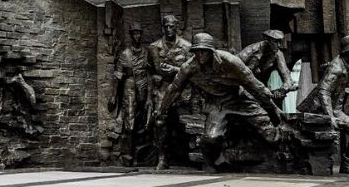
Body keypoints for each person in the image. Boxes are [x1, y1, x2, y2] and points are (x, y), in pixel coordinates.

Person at [157, 32, 283, 172]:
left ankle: (279, 158)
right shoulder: (189, 67)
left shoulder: (229, 61)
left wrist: (273, 107)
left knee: (271, 135)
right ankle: (216, 163)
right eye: (197, 52)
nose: (200, 56)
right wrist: (162, 111)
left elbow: (253, 83)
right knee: (211, 138)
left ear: (211, 51)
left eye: (204, 51)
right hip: (217, 104)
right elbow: (174, 89)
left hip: (240, 99)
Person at [298, 34, 349, 175]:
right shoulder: (336, 68)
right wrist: (329, 116)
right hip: (319, 109)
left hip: (335, 109)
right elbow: (324, 92)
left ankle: (347, 165)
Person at [148, 14, 191, 169]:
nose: (168, 29)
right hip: (163, 88)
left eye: (171, 26)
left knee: (185, 121)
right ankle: (162, 158)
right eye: (166, 26)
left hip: (181, 88)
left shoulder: (186, 46)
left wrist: (175, 69)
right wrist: (154, 77)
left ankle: (189, 155)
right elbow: (149, 69)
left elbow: (192, 71)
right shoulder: (153, 47)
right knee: (159, 121)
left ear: (176, 27)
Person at [108, 23, 151, 165]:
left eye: (139, 33)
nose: (137, 36)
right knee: (130, 121)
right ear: (131, 35)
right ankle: (127, 156)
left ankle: (141, 154)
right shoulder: (125, 54)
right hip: (130, 87)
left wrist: (149, 95)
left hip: (143, 88)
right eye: (134, 33)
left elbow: (150, 73)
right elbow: (117, 76)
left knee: (143, 121)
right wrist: (114, 95)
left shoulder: (146, 52)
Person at [238, 29, 296, 103]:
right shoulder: (251, 50)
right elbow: (233, 66)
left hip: (261, 90)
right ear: (267, 40)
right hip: (243, 87)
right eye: (275, 41)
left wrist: (282, 90)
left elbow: (287, 79)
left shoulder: (277, 54)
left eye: (280, 42)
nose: (278, 45)